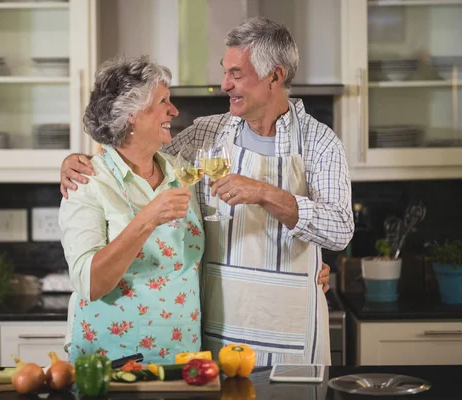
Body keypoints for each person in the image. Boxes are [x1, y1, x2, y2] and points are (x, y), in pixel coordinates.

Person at [61, 18, 351, 366]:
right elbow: (131, 151)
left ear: (275, 76)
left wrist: (264, 194)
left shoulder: (321, 143)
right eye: (224, 71)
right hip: (215, 329)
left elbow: (339, 230)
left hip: (288, 328)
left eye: (236, 74)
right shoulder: (205, 135)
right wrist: (75, 161)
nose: (224, 84)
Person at [58, 55, 205, 364]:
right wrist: (148, 217)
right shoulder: (88, 182)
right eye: (163, 100)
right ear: (131, 116)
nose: (174, 110)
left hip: (183, 359)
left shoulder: (184, 172)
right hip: (110, 360)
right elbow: (90, 283)